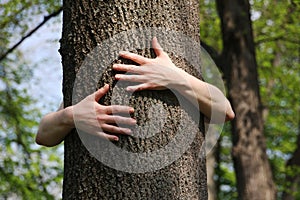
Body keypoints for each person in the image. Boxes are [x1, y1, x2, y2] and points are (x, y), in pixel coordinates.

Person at [36, 37, 235, 147]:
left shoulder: (181, 66)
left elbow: (224, 109)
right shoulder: (88, 80)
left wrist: (175, 78)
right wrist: (70, 115)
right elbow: (44, 136)